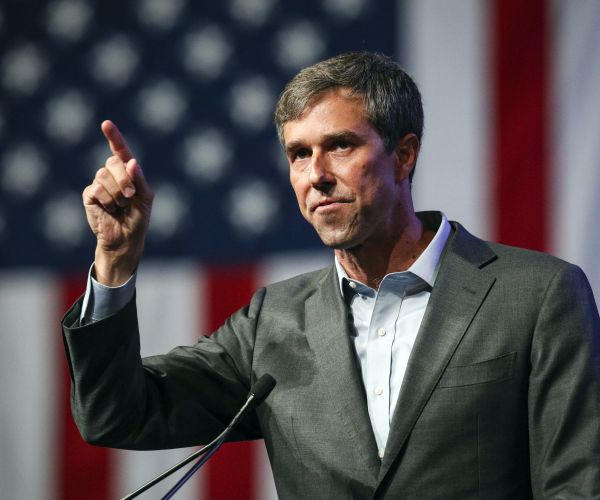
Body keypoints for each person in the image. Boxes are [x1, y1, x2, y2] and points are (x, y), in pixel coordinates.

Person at [62, 52, 600, 499]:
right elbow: (118, 414)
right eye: (299, 154)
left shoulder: (536, 295)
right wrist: (115, 260)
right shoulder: (272, 322)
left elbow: (578, 484)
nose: (316, 175)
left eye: (340, 145)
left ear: (404, 155)